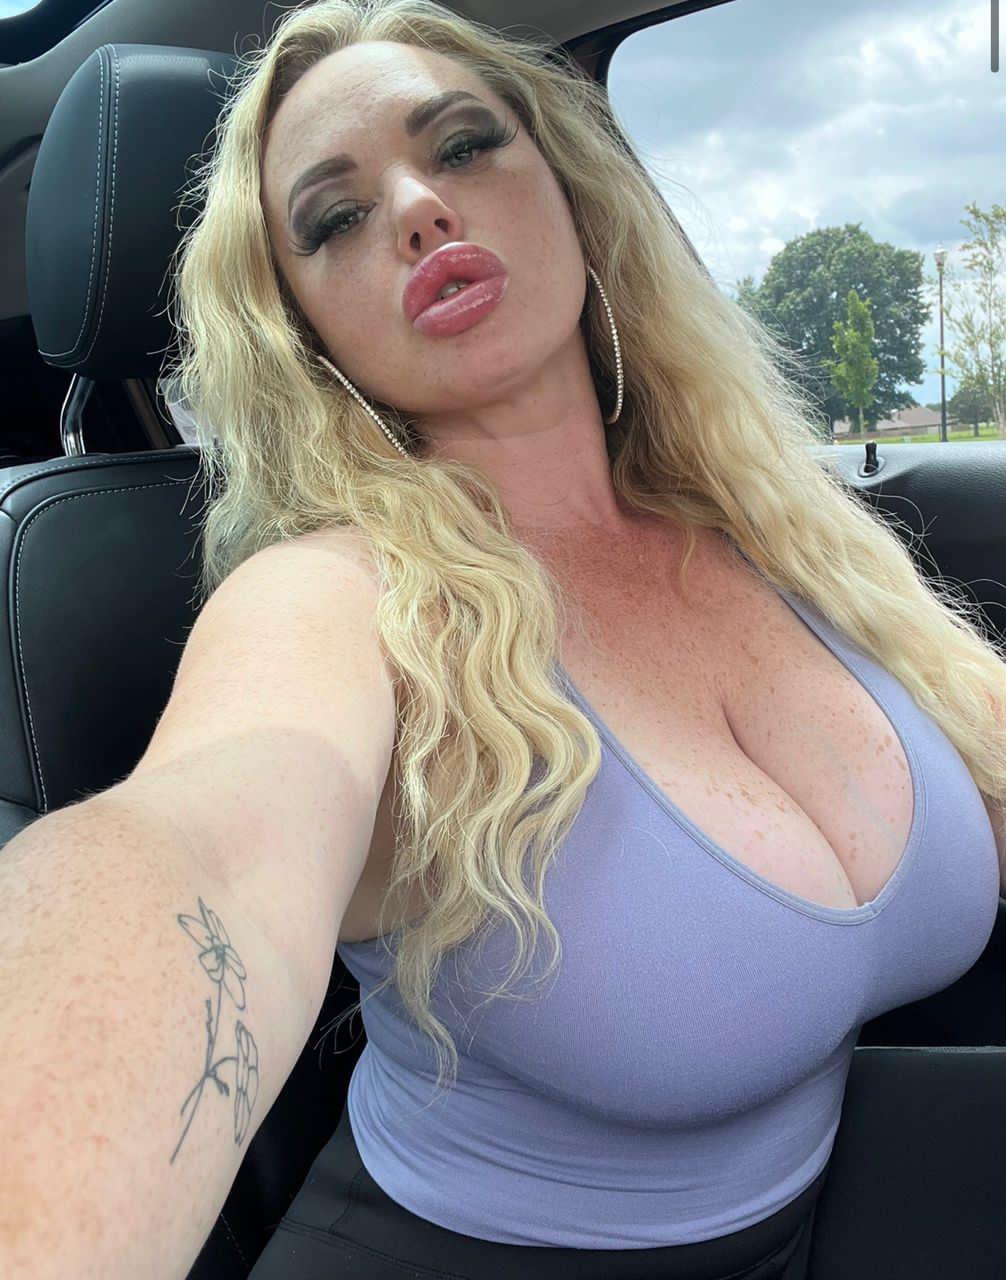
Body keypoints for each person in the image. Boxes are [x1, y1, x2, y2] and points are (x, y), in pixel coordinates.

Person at [160, 1, 1006, 1275]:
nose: (418, 208)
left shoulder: (773, 524)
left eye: (461, 146)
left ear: (573, 190)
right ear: (304, 333)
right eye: (335, 219)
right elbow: (188, 874)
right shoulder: (331, 602)